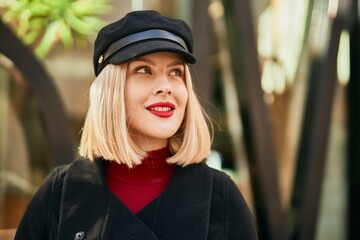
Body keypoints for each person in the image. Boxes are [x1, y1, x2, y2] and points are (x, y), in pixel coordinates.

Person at [14, 10, 258, 239]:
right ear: (111, 90)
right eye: (144, 70)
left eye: (175, 73)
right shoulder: (60, 193)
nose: (166, 86)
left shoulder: (221, 197)